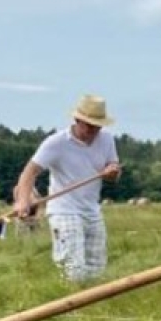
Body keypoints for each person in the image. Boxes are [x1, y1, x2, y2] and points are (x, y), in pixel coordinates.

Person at [14, 95, 122, 282]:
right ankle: (68, 307)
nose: (92, 130)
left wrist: (112, 172)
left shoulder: (107, 140)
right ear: (77, 119)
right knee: (74, 269)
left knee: (97, 270)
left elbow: (114, 170)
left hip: (92, 211)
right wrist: (23, 200)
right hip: (64, 211)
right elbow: (29, 172)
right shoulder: (56, 143)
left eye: (97, 126)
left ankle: (91, 308)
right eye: (88, 125)